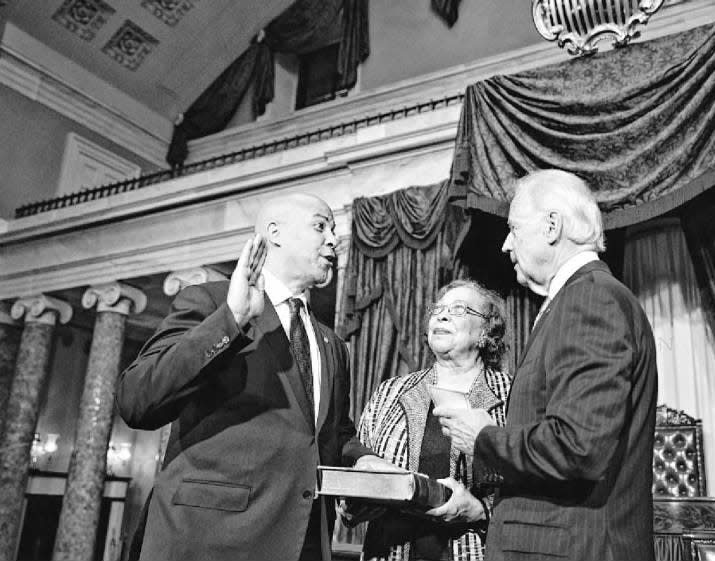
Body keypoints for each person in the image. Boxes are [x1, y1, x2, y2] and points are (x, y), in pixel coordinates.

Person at [117, 193, 391, 561]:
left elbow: (331, 432)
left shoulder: (332, 344)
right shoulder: (210, 302)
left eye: (334, 230)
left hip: (303, 540)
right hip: (209, 539)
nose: (333, 239)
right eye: (320, 226)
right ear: (274, 233)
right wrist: (231, 319)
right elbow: (137, 399)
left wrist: (361, 461)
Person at [435, 170, 658, 561]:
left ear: (552, 225)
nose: (506, 244)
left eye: (514, 228)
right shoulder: (577, 299)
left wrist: (484, 436)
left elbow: (578, 447)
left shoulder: (590, 299)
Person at [342, 280, 512, 561]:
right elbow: (357, 465)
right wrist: (355, 501)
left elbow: (536, 486)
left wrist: (481, 510)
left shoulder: (511, 395)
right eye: (438, 309)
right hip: (390, 551)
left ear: (485, 331)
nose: (442, 315)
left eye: (458, 309)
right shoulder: (390, 392)